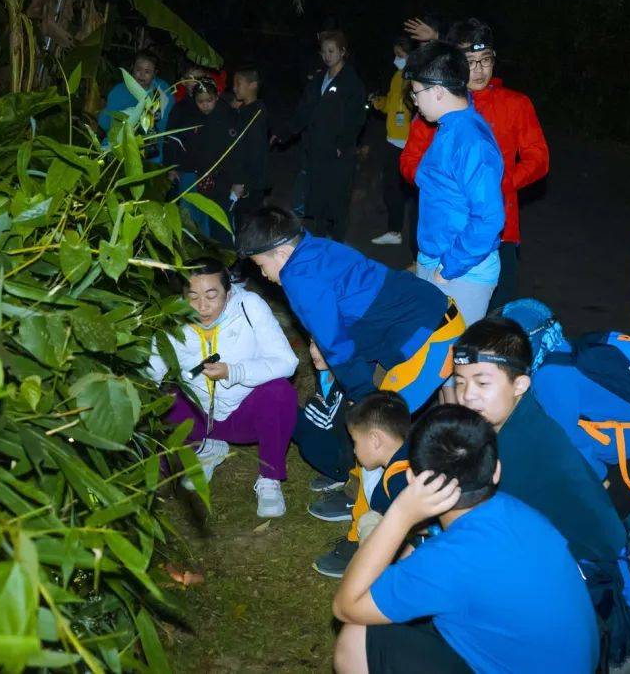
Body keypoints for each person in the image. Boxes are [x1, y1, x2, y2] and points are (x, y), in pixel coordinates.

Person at [332, 405, 600, 674]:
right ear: (495, 469)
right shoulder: (519, 510)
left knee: (357, 637)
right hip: (569, 661)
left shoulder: (446, 561)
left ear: (413, 479)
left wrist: (399, 515)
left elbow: (346, 606)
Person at [452, 317, 630, 667]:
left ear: (520, 384)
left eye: (482, 382)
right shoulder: (516, 419)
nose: (467, 395)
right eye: (460, 381)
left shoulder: (517, 450)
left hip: (587, 585)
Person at [237, 206, 465, 414]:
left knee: (383, 420)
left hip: (430, 336)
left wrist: (361, 395)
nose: (264, 275)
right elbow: (353, 315)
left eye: (262, 266)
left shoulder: (299, 279)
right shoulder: (317, 247)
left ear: (283, 253)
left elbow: (335, 343)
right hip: (436, 313)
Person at [502, 298, 630, 537]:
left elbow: (570, 446)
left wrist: (597, 485)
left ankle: (610, 571)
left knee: (606, 530)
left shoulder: (549, 377)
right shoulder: (557, 351)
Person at [400, 19, 549, 308]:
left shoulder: (515, 104)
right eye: (471, 61)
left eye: (486, 60)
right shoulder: (436, 105)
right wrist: (439, 185)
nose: (479, 70)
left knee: (496, 316)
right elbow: (409, 159)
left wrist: (499, 185)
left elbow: (538, 158)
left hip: (499, 227)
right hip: (442, 229)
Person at [148, 259, 299, 518]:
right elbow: (150, 373)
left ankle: (269, 478)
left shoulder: (249, 307)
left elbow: (288, 362)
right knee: (165, 397)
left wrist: (234, 371)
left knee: (280, 392)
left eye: (211, 295)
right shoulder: (172, 319)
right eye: (192, 296)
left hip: (244, 415)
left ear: (228, 294)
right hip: (199, 416)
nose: (202, 306)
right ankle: (205, 447)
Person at [403, 40, 505, 327]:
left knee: (450, 364)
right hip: (439, 260)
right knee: (428, 359)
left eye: (416, 93)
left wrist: (448, 268)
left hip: (462, 271)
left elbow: (489, 217)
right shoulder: (450, 127)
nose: (415, 102)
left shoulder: (471, 140)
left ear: (436, 91)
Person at [313, 392, 411, 579]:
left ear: (375, 440)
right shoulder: (410, 454)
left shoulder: (398, 481)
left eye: (355, 442)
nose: (355, 451)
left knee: (369, 524)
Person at [287, 29, 367, 240]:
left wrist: (343, 143)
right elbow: (305, 109)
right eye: (323, 52)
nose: (327, 56)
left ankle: (338, 243)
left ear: (342, 52)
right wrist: (287, 132)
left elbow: (356, 116)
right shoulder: (319, 78)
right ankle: (321, 242)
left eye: (331, 51)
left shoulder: (351, 81)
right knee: (319, 197)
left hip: (338, 152)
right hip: (317, 148)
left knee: (338, 200)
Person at [166, 78, 245, 244]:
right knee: (198, 220)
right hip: (200, 178)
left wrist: (238, 181)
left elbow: (237, 153)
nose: (205, 105)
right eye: (200, 101)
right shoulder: (191, 116)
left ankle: (229, 261)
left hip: (223, 181)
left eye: (209, 100)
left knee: (222, 222)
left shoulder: (228, 117)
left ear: (217, 97)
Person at [368, 33, 414, 246]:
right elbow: (392, 106)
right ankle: (394, 230)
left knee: (398, 189)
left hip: (408, 141)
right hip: (393, 139)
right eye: (395, 54)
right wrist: (379, 102)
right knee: (391, 187)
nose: (396, 58)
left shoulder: (414, 76)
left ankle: (397, 232)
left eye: (400, 54)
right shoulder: (398, 76)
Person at [293, 340, 355, 494]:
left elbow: (340, 427)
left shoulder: (347, 383)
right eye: (311, 343)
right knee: (288, 414)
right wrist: (316, 404)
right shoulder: (323, 371)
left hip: (346, 451)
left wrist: (315, 404)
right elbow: (320, 405)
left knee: (308, 445)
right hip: (329, 428)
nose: (313, 351)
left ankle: (340, 475)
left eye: (320, 345)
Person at [98, 50, 174, 162]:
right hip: (118, 146)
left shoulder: (162, 91)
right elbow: (106, 123)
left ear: (155, 73)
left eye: (147, 71)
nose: (141, 74)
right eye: (138, 69)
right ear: (132, 68)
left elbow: (165, 123)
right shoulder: (118, 91)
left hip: (151, 149)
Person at [231, 66, 270, 215]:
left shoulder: (256, 114)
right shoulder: (245, 109)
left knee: (248, 221)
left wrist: (243, 182)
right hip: (246, 178)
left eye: (238, 84)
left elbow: (254, 151)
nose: (234, 88)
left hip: (250, 182)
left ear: (253, 85)